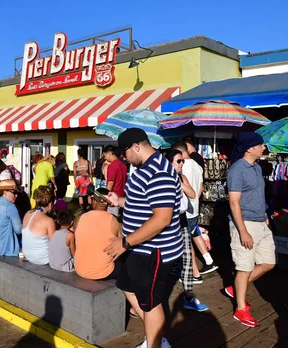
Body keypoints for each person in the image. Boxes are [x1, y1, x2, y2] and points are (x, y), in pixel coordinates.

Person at [103, 128, 183, 348]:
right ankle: (155, 337)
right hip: (136, 248)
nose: (122, 157)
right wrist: (119, 201)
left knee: (151, 304)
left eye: (124, 152)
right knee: (128, 288)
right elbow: (144, 201)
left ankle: (155, 343)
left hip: (153, 252)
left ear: (136, 146)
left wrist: (125, 241)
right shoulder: (143, 168)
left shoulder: (159, 171)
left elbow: (162, 219)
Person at [225, 132, 275, 328]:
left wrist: (264, 215)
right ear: (249, 148)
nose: (264, 147)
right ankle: (240, 309)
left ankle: (235, 288)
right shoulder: (237, 170)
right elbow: (233, 202)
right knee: (244, 268)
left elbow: (256, 195)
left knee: (268, 262)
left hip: (260, 222)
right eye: (260, 145)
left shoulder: (255, 167)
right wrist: (243, 231)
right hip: (245, 223)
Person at [165, 149, 209, 312]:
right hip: (168, 221)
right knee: (166, 259)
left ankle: (189, 297)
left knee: (187, 260)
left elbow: (192, 194)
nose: (182, 164)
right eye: (178, 161)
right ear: (169, 162)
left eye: (182, 161)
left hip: (182, 220)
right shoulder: (163, 177)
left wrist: (180, 183)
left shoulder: (181, 177)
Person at [172, 142, 218, 282]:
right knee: (194, 235)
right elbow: (200, 187)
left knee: (187, 242)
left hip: (186, 209)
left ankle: (193, 273)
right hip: (194, 207)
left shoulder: (182, 167)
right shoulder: (197, 165)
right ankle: (208, 260)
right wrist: (195, 201)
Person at [74, 189, 122, 280]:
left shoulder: (79, 219)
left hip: (80, 269)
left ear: (94, 202)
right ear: (108, 203)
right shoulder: (115, 221)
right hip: (105, 273)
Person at [22, 186, 56, 265]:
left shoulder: (27, 214)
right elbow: (54, 243)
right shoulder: (49, 221)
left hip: (28, 255)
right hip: (43, 259)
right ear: (50, 204)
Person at [104, 145, 127, 218]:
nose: (105, 158)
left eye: (105, 156)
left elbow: (110, 183)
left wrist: (106, 197)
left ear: (109, 154)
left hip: (113, 198)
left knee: (112, 219)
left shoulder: (112, 166)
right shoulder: (124, 165)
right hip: (122, 197)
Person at [73, 149, 92, 213]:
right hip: (86, 179)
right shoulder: (88, 162)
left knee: (80, 195)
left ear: (78, 154)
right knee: (88, 194)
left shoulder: (76, 163)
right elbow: (90, 173)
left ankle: (83, 209)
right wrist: (91, 181)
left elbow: (75, 174)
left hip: (79, 180)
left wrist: (75, 181)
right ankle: (89, 208)